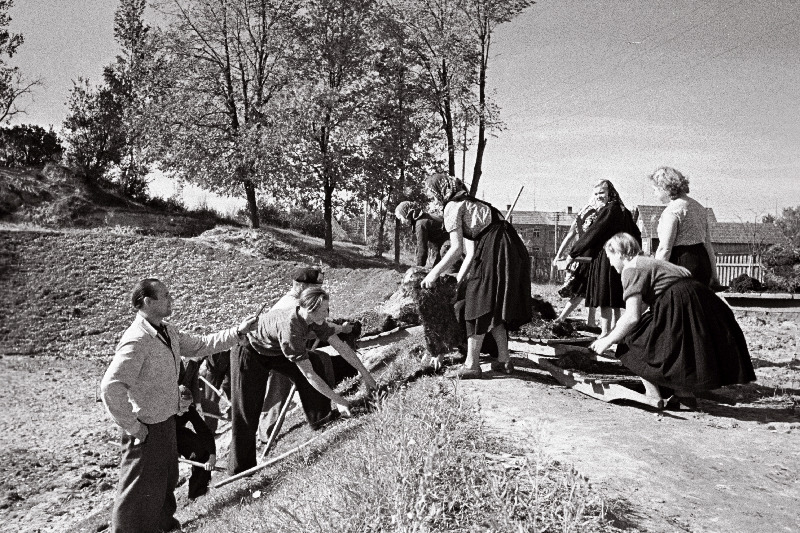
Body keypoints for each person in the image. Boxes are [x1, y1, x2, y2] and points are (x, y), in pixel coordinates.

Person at [100, 278, 257, 533]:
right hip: (146, 429)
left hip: (166, 422)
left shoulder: (167, 331)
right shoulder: (136, 339)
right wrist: (133, 426)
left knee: (165, 481)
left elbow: (202, 344)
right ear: (147, 302)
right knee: (135, 491)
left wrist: (238, 332)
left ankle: (166, 527)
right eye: (165, 296)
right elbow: (111, 386)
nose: (171, 299)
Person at [590, 233, 755, 408]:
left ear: (620, 253)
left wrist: (608, 340)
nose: (610, 264)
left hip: (679, 301)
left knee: (630, 342)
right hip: (701, 298)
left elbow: (632, 317)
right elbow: (641, 308)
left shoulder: (631, 269)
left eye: (610, 258)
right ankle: (684, 397)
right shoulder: (650, 262)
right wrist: (616, 330)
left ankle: (652, 395)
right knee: (681, 348)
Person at [228, 286, 377, 474]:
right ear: (310, 308)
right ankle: (241, 469)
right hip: (249, 350)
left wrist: (367, 375)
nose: (327, 313)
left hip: (274, 347)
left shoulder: (315, 320)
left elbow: (341, 346)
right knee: (246, 407)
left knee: (315, 360)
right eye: (324, 310)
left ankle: (322, 419)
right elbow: (309, 374)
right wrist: (340, 400)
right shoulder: (291, 328)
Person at [420, 173, 532, 378]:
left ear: (440, 190)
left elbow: (456, 250)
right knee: (490, 303)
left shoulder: (453, 207)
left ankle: (472, 364)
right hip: (508, 247)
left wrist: (433, 274)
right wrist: (459, 282)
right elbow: (470, 254)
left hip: (497, 248)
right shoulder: (472, 204)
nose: (432, 198)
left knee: (476, 303)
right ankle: (504, 360)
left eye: (431, 193)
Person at [257, 267, 356, 442]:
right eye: (314, 286)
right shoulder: (290, 304)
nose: (319, 290)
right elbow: (308, 328)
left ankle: (322, 413)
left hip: (291, 347)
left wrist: (338, 327)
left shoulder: (308, 300)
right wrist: (339, 328)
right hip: (272, 351)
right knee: (278, 388)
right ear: (300, 286)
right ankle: (267, 436)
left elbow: (318, 324)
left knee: (319, 361)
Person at [569, 179, 640, 337]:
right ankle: (616, 330)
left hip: (607, 257)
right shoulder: (623, 210)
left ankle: (605, 333)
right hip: (621, 258)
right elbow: (637, 234)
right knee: (614, 295)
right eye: (596, 193)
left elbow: (594, 232)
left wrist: (574, 252)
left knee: (605, 296)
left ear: (610, 193)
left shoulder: (610, 210)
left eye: (601, 192)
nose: (598, 196)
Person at [649, 166, 721, 287]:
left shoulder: (672, 211)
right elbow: (708, 245)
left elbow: (665, 249)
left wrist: (654, 279)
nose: (654, 193)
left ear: (664, 187)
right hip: (703, 264)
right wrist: (714, 275)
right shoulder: (699, 208)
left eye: (655, 189)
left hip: (681, 265)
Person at [552, 199, 599, 328]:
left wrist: (558, 255)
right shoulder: (588, 220)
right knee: (580, 291)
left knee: (590, 291)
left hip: (586, 258)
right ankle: (561, 319)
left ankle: (591, 322)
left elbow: (569, 237)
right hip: (584, 259)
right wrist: (558, 256)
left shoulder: (587, 218)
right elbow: (569, 237)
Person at [175, 378, 216, 499]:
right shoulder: (163, 411)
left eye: (188, 406)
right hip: (160, 438)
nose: (186, 410)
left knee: (202, 450)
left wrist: (212, 455)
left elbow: (204, 431)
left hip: (178, 434)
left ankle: (197, 493)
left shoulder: (188, 409)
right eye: (183, 406)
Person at [395, 200, 449, 267]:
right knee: (436, 271)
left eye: (401, 218)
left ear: (406, 213)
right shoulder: (422, 218)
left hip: (450, 243)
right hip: (447, 244)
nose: (402, 222)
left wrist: (418, 269)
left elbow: (422, 249)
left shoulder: (420, 224)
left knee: (440, 272)